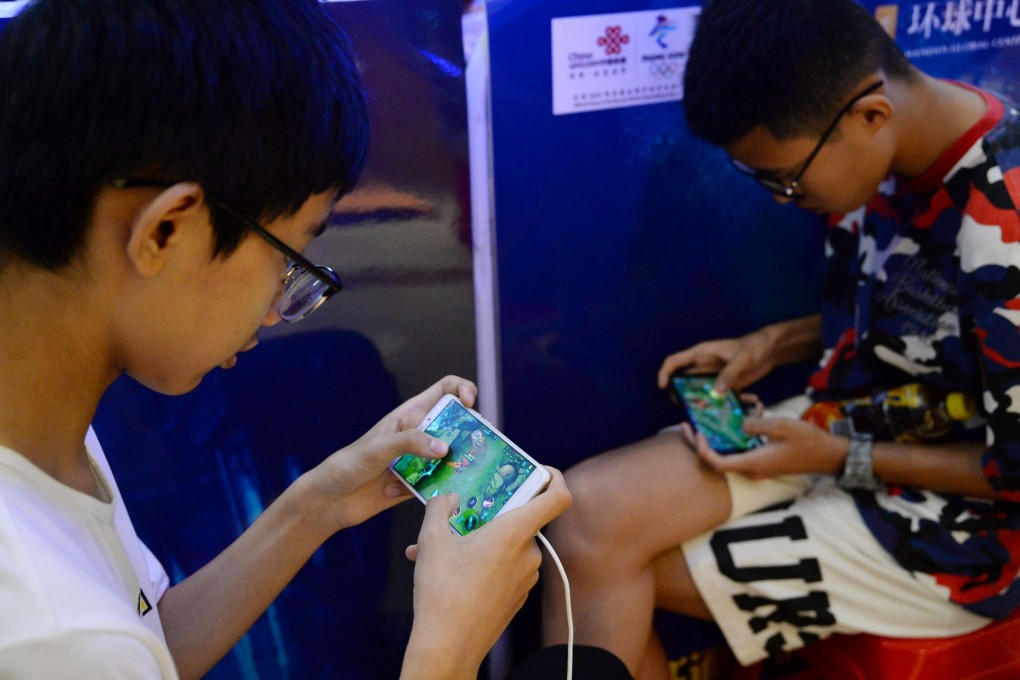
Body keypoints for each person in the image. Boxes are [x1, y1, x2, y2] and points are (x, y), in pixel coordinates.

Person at [0, 1, 571, 679]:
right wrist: (448, 645)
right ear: (166, 231)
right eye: (290, 257)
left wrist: (317, 504)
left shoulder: (39, 428)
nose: (279, 311)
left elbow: (142, 650)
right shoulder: (47, 631)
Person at [541, 0, 1020, 678]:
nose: (777, 198)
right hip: (854, 424)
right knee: (582, 522)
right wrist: (770, 344)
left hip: (964, 539)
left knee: (617, 565)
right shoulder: (902, 139)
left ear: (870, 116)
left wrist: (839, 459)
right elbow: (930, 319)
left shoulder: (1006, 212)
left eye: (786, 178)